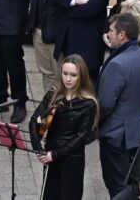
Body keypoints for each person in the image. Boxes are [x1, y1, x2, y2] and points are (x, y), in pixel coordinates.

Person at [28, 54, 99, 200]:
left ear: (81, 77)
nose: (68, 79)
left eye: (73, 75)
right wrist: (39, 149)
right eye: (65, 73)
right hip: (51, 154)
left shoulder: (88, 103)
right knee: (50, 194)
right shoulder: (54, 94)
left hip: (72, 159)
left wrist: (54, 155)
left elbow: (81, 137)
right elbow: (35, 121)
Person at [97, 13, 140, 197]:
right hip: (136, 132)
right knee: (129, 184)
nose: (108, 34)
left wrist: (93, 124)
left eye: (111, 31)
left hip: (116, 135)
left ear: (122, 35)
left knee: (116, 186)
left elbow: (105, 104)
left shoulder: (117, 64)